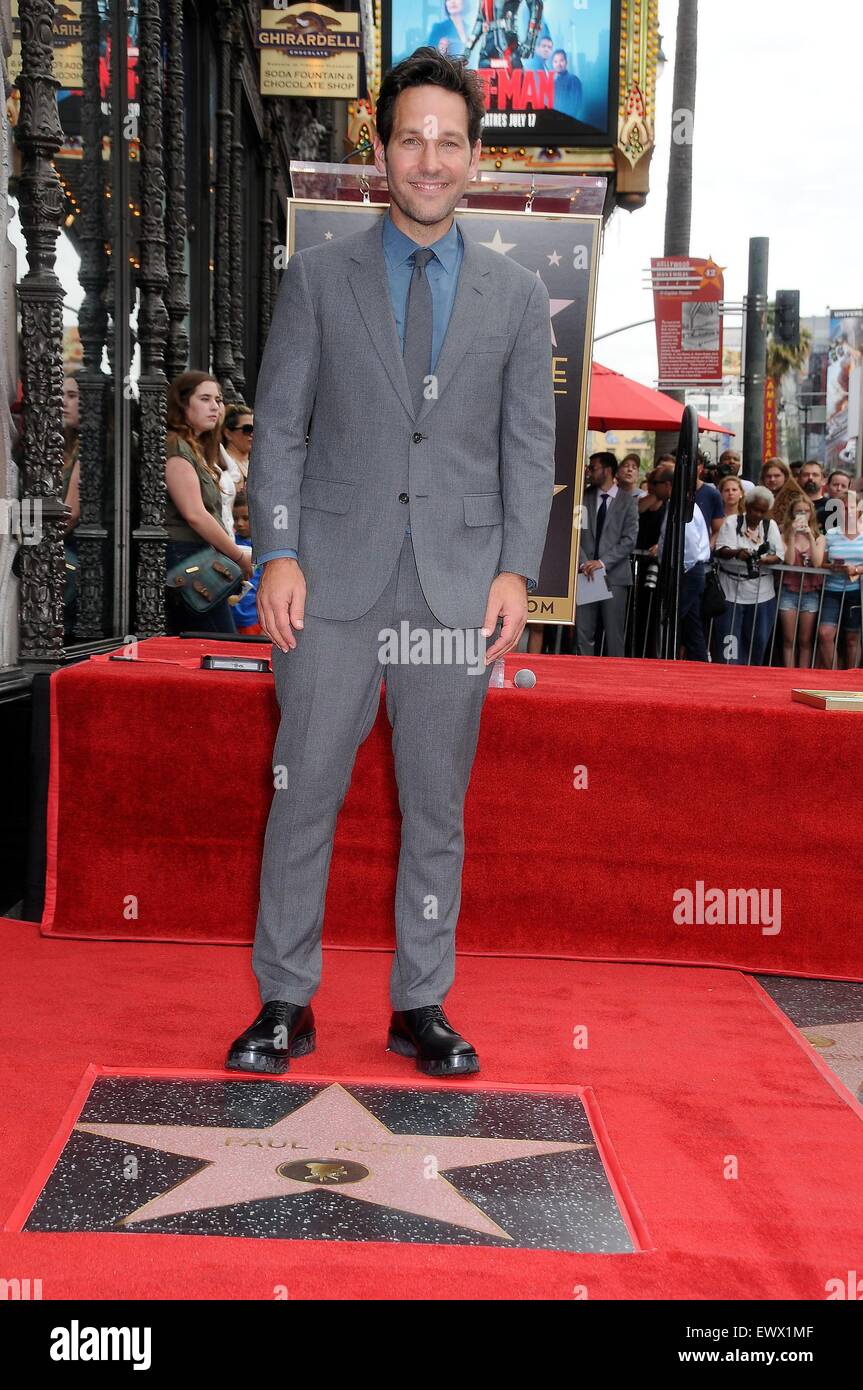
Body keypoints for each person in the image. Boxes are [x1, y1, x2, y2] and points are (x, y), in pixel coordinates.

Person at [230, 48, 555, 1078]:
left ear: (473, 159)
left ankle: (421, 1001)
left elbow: (526, 448)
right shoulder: (320, 276)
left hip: (455, 590)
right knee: (304, 789)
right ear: (380, 151)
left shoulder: (514, 294)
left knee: (436, 806)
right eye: (409, 138)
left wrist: (514, 569)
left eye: (448, 141)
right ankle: (284, 999)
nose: (428, 158)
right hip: (326, 581)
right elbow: (277, 427)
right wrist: (275, 548)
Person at [163, 371, 253, 635]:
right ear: (183, 404)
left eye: (218, 399)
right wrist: (236, 554)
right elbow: (195, 514)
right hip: (185, 557)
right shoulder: (177, 446)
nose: (215, 406)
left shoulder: (196, 447)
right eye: (205, 399)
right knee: (220, 642)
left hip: (198, 554)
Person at [575, 451, 638, 657]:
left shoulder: (628, 501)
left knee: (614, 635)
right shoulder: (582, 498)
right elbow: (575, 533)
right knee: (584, 633)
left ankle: (615, 680)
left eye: (593, 468)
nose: (589, 472)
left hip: (614, 575)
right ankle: (583, 677)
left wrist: (601, 562)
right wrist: (585, 563)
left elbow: (629, 540)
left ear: (607, 470)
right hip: (587, 573)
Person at [714, 485, 783, 665]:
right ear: (747, 506)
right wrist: (738, 553)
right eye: (754, 510)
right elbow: (721, 549)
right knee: (730, 641)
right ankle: (729, 676)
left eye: (762, 511)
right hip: (731, 591)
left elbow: (779, 555)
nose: (758, 515)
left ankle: (752, 676)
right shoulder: (731, 522)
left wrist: (765, 560)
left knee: (758, 641)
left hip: (762, 593)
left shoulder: (770, 526)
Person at [655, 463, 711, 661]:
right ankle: (700, 661)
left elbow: (688, 544)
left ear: (668, 485)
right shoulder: (680, 504)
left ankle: (667, 661)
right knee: (691, 623)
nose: (654, 488)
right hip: (689, 570)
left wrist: (679, 569)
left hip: (686, 570)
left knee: (671, 620)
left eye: (657, 483)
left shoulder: (681, 506)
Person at [818, 490, 863, 669]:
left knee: (852, 637)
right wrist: (834, 567)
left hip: (856, 590)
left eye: (852, 507)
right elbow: (822, 563)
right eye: (844, 507)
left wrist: (858, 569)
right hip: (832, 590)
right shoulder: (831, 534)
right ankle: (834, 675)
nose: (848, 511)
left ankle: (851, 677)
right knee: (825, 634)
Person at [778, 497, 825, 669]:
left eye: (805, 511)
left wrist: (810, 537)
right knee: (789, 638)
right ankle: (789, 673)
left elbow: (818, 563)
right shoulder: (784, 534)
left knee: (805, 640)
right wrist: (791, 536)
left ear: (811, 513)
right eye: (798, 511)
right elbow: (789, 561)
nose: (802, 515)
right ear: (792, 513)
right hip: (789, 591)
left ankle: (803, 674)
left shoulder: (819, 537)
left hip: (810, 592)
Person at [219, 401, 254, 535]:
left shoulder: (256, 464)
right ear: (228, 433)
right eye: (247, 429)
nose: (252, 434)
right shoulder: (223, 464)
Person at [693, 448, 725, 540]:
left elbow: (717, 531)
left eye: (695, 463)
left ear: (701, 466)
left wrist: (708, 547)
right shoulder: (670, 492)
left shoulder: (712, 494)